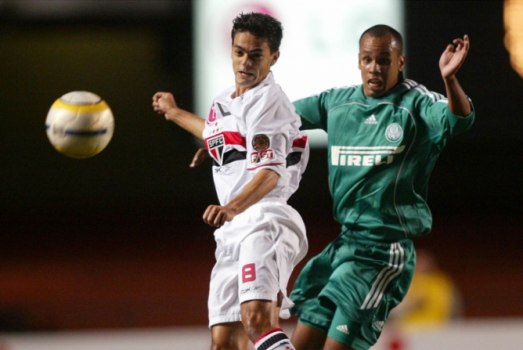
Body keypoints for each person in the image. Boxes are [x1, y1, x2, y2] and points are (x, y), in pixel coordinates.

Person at [287, 25, 475, 350]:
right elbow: (276, 116)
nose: (375, 68)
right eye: (368, 59)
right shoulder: (337, 103)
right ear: (359, 61)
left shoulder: (415, 104)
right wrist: (216, 135)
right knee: (300, 344)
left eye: (384, 60)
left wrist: (449, 79)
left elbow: (460, 118)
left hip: (383, 254)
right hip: (345, 246)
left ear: (400, 62)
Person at [152, 12, 309, 350]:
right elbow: (215, 133)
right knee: (224, 342)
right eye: (239, 52)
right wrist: (174, 112)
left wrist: (231, 206)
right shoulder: (224, 100)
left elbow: (271, 173)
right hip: (233, 230)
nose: (245, 61)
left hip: (265, 219)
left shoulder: (270, 101)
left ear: (273, 57)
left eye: (256, 54)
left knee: (256, 321)